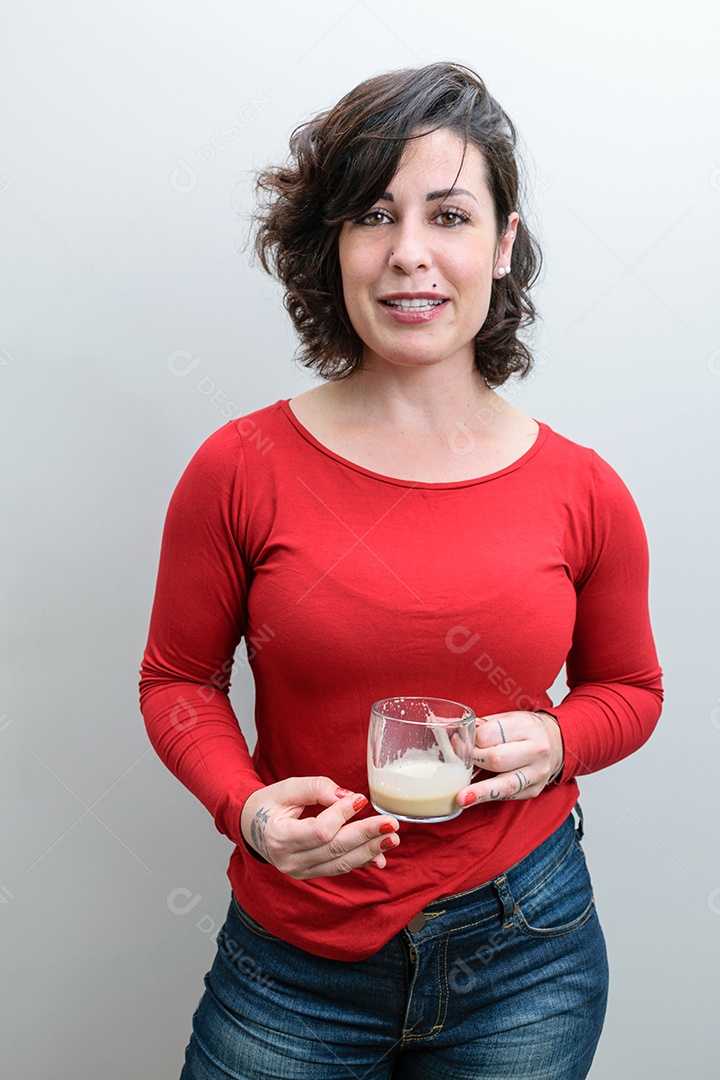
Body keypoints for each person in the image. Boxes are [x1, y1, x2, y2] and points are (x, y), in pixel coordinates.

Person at [139, 61, 663, 1080]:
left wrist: (558, 743)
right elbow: (177, 682)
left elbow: (632, 692)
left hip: (529, 953)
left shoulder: (585, 489)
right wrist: (244, 808)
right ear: (330, 246)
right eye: (374, 214)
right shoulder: (237, 468)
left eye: (450, 215)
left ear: (503, 245)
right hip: (293, 960)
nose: (410, 255)